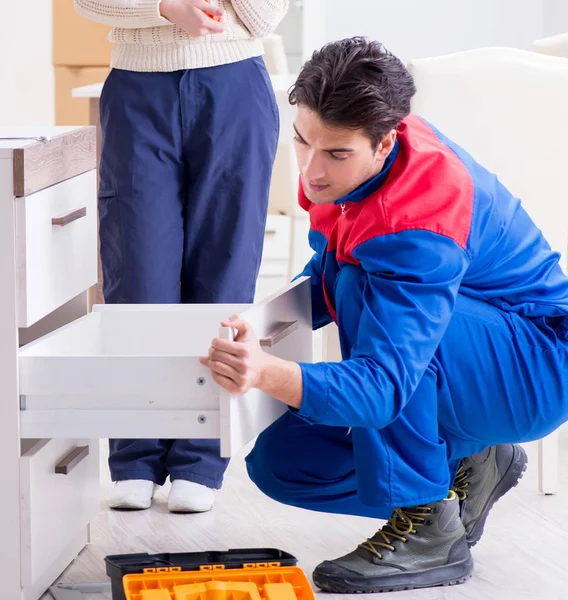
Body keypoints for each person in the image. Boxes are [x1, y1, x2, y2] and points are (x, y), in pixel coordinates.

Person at [200, 37, 568, 593]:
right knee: (283, 463)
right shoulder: (364, 157)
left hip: (535, 364)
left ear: (383, 142)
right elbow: (328, 269)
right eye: (302, 142)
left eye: (336, 154)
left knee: (362, 288)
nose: (312, 172)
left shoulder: (415, 227)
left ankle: (429, 528)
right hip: (472, 348)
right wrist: (264, 322)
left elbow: (382, 386)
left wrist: (264, 373)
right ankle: (473, 461)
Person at [74, 0, 288, 513]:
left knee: (223, 275)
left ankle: (200, 458)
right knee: (138, 281)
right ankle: (134, 456)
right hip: (137, 88)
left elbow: (266, 15)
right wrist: (165, 9)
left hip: (234, 83)